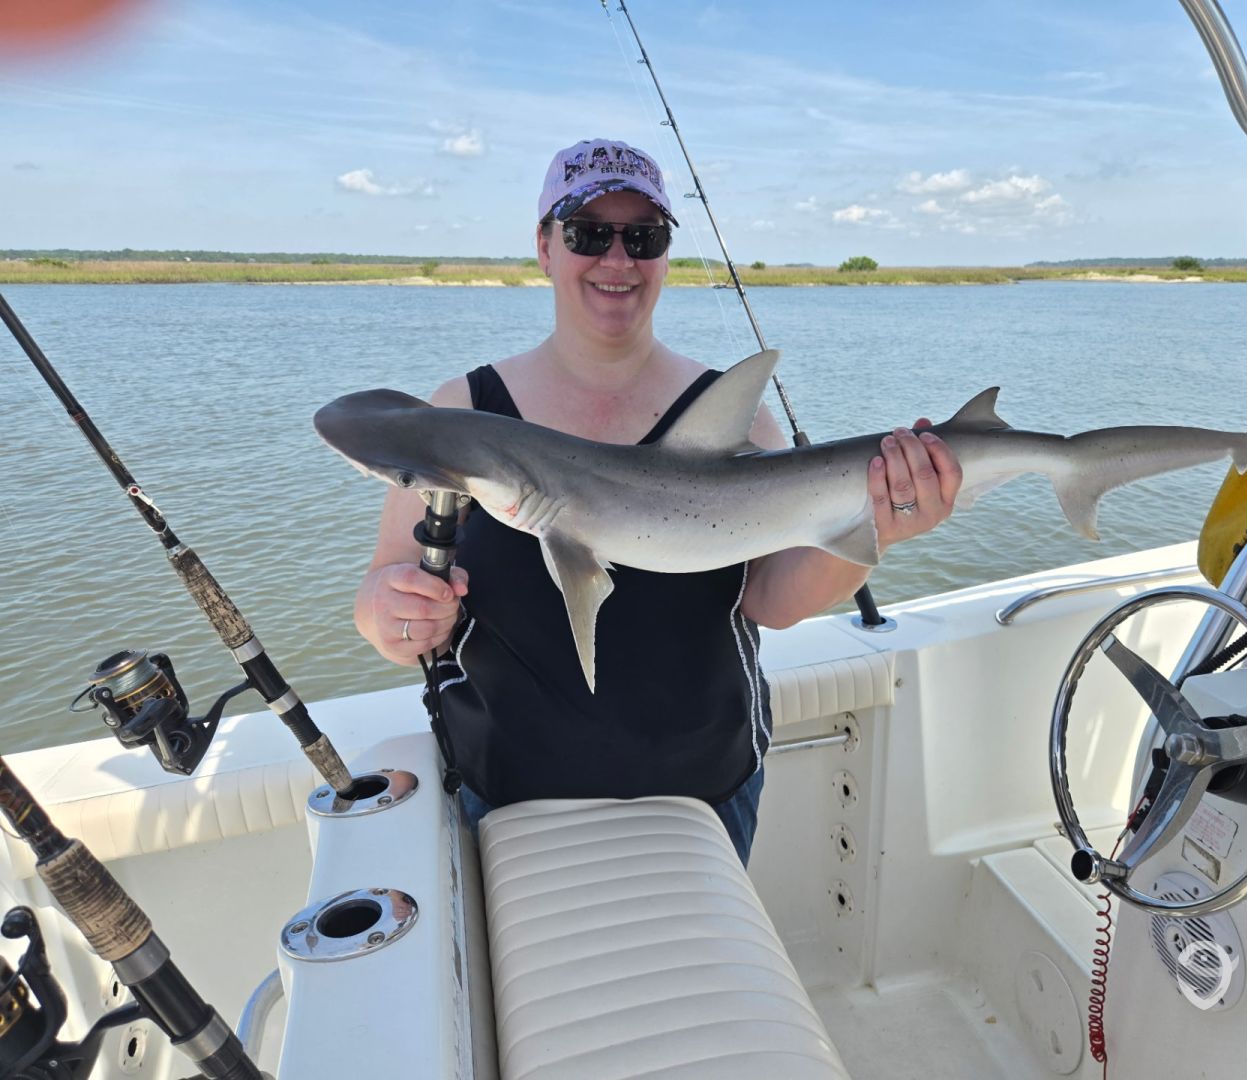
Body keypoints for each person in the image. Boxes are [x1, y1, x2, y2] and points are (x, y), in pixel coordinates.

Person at [354, 138, 961, 865]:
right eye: (588, 233)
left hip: (704, 787)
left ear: (666, 255)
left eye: (643, 238)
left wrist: (880, 526)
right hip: (505, 784)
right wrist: (393, 616)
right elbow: (384, 586)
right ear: (544, 246)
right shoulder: (462, 415)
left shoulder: (732, 418)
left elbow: (771, 601)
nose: (618, 260)